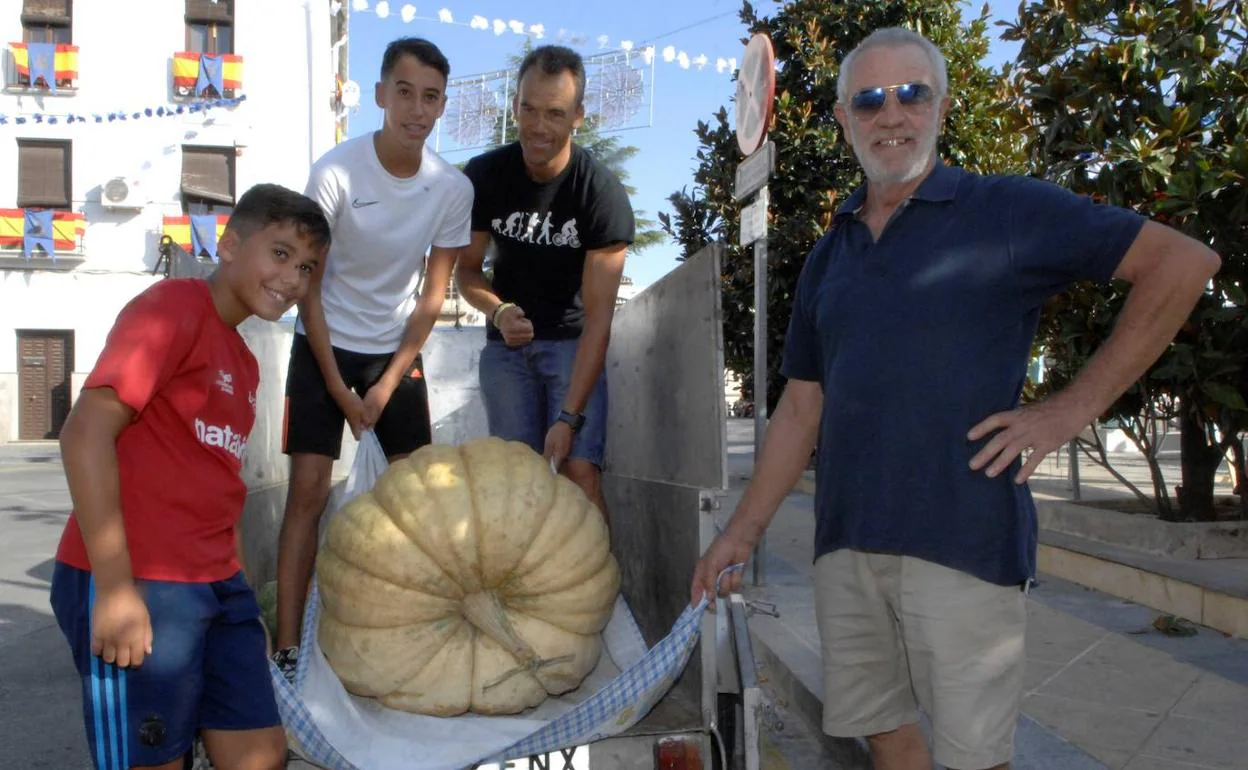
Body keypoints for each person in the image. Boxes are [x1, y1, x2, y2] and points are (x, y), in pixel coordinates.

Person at [690, 27, 1221, 770]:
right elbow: (802, 407)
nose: (892, 115)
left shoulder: (1003, 210)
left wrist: (1071, 408)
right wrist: (741, 533)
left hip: (964, 541)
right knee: (884, 733)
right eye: (869, 100)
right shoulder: (829, 251)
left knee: (976, 756)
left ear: (940, 105)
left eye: (913, 94)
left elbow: (1183, 264)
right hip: (847, 544)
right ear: (843, 118)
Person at [49, 183, 331, 770]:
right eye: (279, 253)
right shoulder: (172, 307)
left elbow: (211, 482)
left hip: (215, 586)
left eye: (306, 267)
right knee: (154, 759)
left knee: (261, 755)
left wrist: (239, 590)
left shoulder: (245, 361)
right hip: (139, 580)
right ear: (228, 245)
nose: (292, 277)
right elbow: (85, 433)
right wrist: (118, 590)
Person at [272, 36, 472, 677]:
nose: (417, 108)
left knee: (421, 499)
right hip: (322, 345)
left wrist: (385, 385)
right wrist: (336, 385)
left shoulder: (450, 188)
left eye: (431, 97)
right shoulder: (335, 172)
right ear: (382, 94)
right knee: (307, 492)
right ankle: (286, 644)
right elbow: (308, 284)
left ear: (443, 104)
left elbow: (433, 296)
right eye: (405, 92)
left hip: (395, 353)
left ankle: (419, 627)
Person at [456, 44, 635, 517]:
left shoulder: (601, 193)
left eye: (554, 113)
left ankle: (596, 591)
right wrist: (497, 309)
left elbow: (600, 321)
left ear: (577, 116)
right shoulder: (484, 175)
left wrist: (568, 417)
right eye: (528, 109)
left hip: (574, 346)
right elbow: (467, 272)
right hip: (506, 350)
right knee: (518, 479)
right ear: (515, 106)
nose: (538, 126)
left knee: (578, 472)